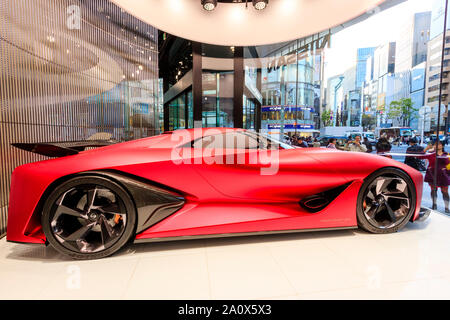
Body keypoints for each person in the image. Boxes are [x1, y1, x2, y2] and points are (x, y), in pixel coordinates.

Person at [424, 141, 450, 212]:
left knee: (445, 191)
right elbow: (420, 156)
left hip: (443, 176)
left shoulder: (447, 154)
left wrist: (447, 171)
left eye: (439, 144)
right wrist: (426, 148)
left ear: (442, 146)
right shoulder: (431, 154)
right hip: (432, 175)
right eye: (435, 144)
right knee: (433, 191)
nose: (437, 145)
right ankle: (434, 205)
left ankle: (447, 208)